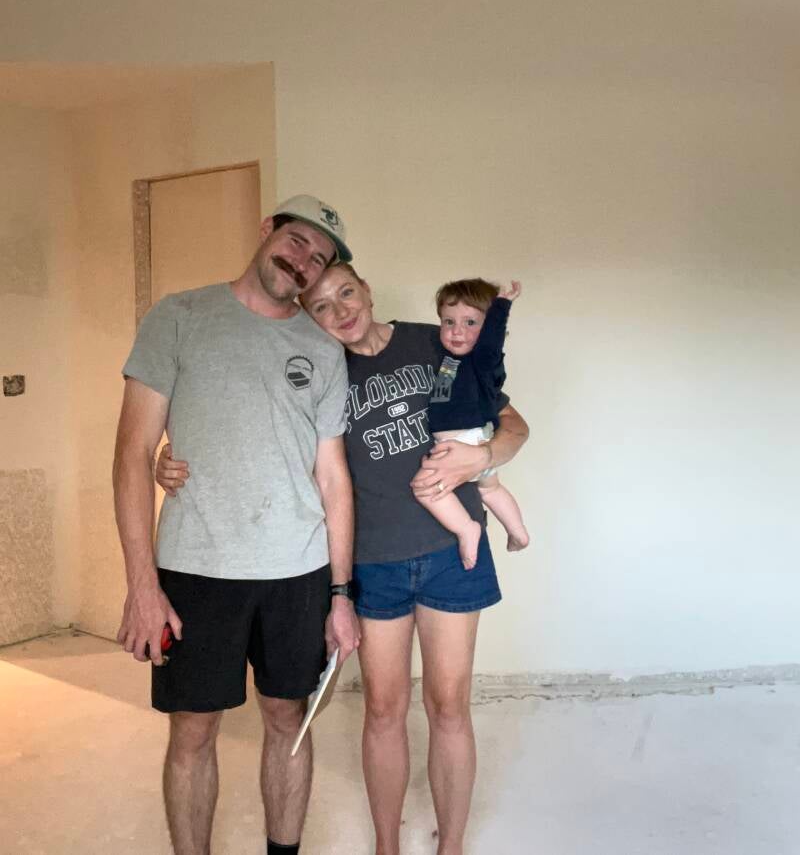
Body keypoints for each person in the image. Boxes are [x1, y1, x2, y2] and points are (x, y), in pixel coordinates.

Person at [158, 260, 529, 855]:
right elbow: (265, 441)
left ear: (368, 290)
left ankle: (451, 845)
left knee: (449, 705)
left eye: (347, 293)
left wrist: (481, 459)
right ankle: (386, 845)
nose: (340, 311)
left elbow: (512, 425)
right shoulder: (315, 367)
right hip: (373, 564)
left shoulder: (434, 341)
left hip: (450, 554)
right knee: (382, 709)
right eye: (322, 306)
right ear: (309, 317)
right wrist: (172, 460)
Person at [113, 194, 361, 855]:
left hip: (297, 572)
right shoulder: (180, 316)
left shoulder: (323, 349)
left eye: (321, 258)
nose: (304, 261)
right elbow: (133, 454)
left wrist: (341, 594)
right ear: (266, 230)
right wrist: (142, 586)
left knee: (289, 718)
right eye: (298, 241)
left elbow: (333, 478)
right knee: (193, 730)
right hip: (195, 569)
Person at [420, 277, 530, 570]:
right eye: (448, 321)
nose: (457, 331)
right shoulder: (450, 359)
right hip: (475, 438)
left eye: (470, 322)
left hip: (461, 442)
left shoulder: (481, 361)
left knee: (425, 488)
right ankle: (518, 532)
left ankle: (466, 528)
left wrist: (502, 305)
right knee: (490, 489)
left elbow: (491, 342)